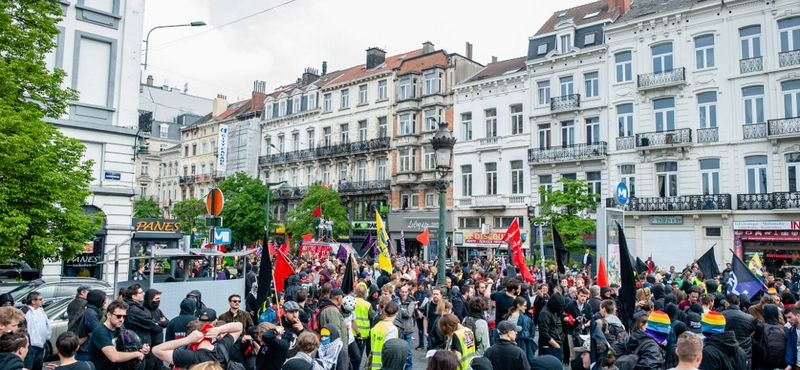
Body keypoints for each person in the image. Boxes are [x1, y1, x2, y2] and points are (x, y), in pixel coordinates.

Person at [152, 319, 243, 368]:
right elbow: (239, 326)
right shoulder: (222, 348)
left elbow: (156, 350)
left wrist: (187, 340)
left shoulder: (190, 357)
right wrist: (219, 330)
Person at [88, 300, 148, 370]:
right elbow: (114, 357)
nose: (121, 320)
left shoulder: (119, 328)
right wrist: (137, 354)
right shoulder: (101, 332)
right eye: (118, 316)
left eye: (124, 317)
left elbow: (127, 344)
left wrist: (141, 348)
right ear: (109, 315)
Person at [720, 293, 755, 368]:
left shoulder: (721, 316)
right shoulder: (749, 318)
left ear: (726, 302)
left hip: (726, 352)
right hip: (745, 353)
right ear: (738, 303)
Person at [76, 290, 108, 361]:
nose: (105, 301)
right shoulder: (91, 313)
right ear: (97, 299)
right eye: (104, 299)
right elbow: (98, 330)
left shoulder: (90, 309)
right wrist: (105, 310)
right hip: (86, 350)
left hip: (85, 349)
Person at [505, 296, 536, 365]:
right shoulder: (517, 318)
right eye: (524, 306)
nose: (526, 307)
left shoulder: (511, 316)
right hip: (519, 344)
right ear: (518, 305)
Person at [753, 304, 786, 370]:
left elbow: (756, 340)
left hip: (763, 361)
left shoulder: (760, 327)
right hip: (779, 362)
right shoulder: (784, 328)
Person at [23, 292, 50, 370]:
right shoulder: (26, 311)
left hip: (41, 344)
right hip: (31, 345)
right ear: (33, 301)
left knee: (38, 366)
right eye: (40, 299)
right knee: (29, 366)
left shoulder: (40, 310)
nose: (42, 301)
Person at [142, 289, 168, 370]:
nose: (158, 301)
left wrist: (158, 323)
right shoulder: (144, 311)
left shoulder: (158, 311)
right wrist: (160, 323)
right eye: (156, 299)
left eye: (159, 299)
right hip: (149, 347)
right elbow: (152, 326)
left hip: (159, 345)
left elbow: (167, 322)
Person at [371, 301, 400, 370]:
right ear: (397, 313)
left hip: (375, 363)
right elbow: (389, 349)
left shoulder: (376, 326)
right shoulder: (392, 329)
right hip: (385, 364)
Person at [394, 286, 416, 370]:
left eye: (405, 292)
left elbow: (408, 314)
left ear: (408, 292)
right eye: (402, 292)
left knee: (409, 352)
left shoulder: (410, 302)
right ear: (400, 292)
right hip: (398, 329)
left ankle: (409, 368)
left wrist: (399, 307)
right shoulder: (397, 301)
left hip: (407, 330)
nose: (404, 294)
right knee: (398, 351)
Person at [538, 292, 565, 359]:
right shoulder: (545, 313)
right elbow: (544, 333)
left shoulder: (552, 311)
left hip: (553, 344)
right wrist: (556, 345)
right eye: (559, 306)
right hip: (549, 346)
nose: (560, 308)